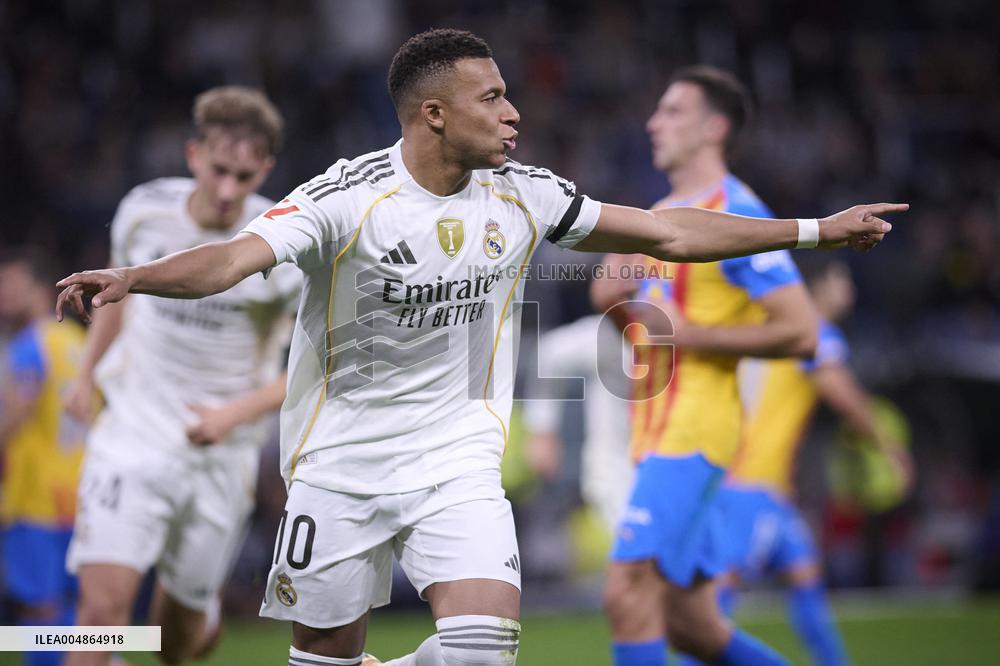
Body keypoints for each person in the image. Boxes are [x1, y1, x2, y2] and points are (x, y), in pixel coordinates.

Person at [54, 30, 902, 666]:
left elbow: (667, 231)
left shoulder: (526, 194)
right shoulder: (348, 199)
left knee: (484, 647)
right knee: (214, 635)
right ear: (434, 114)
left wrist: (815, 230)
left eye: (508, 95)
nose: (513, 112)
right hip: (335, 464)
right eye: (492, 97)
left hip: (454, 458)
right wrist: (137, 276)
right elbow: (233, 259)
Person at [592, 66, 833, 666]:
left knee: (627, 592)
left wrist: (689, 333)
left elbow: (803, 333)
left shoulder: (738, 213)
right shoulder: (663, 213)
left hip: (695, 430)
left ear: (714, 128)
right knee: (693, 627)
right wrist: (616, 303)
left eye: (672, 111)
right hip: (653, 432)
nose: (654, 122)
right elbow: (625, 308)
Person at [61, 86, 300, 666]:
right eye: (218, 169)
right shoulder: (144, 212)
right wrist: (86, 374)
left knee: (173, 647)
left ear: (263, 170)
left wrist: (231, 416)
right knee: (98, 618)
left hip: (221, 451)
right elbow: (116, 303)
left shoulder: (279, 243)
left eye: (243, 177)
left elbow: (313, 371)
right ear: (194, 155)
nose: (226, 190)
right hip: (133, 430)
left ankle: (195, 620)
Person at [675, 259, 913, 666]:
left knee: (806, 583)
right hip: (747, 482)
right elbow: (843, 395)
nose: (848, 291)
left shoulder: (767, 320)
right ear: (817, 287)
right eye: (842, 279)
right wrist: (889, 447)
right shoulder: (810, 330)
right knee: (719, 597)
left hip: (765, 488)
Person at [0, 249, 89, 666]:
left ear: (38, 289)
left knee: (39, 609)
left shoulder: (27, 346)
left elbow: (17, 410)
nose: (2, 295)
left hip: (34, 497)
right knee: (75, 611)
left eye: (11, 284)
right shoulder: (76, 341)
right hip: (77, 494)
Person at [522, 313, 633, 535]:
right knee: (633, 559)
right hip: (618, 472)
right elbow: (551, 352)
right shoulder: (619, 332)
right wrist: (542, 430)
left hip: (682, 467)